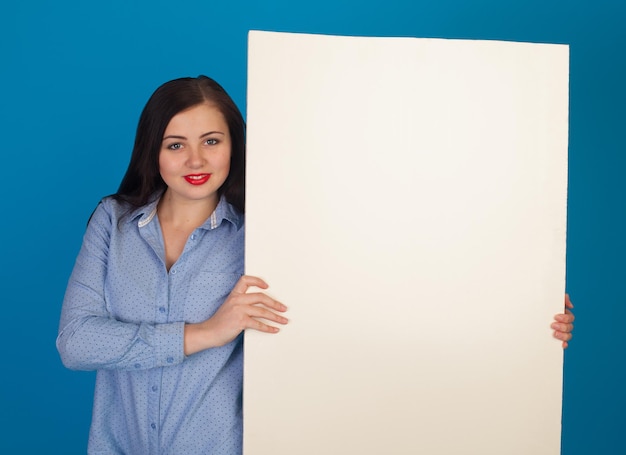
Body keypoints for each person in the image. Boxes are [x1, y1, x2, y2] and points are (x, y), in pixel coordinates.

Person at [57, 75, 575, 454]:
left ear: (233, 146)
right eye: (177, 145)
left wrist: (522, 298)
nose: (195, 161)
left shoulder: (271, 232)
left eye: (211, 141)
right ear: (154, 151)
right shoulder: (114, 222)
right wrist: (208, 332)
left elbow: (389, 281)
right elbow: (76, 342)